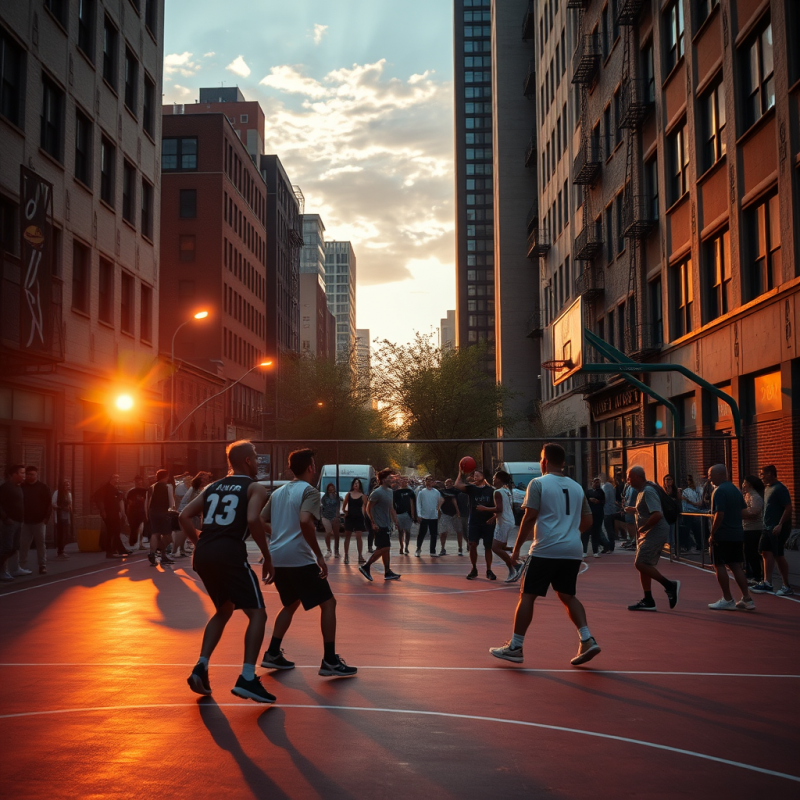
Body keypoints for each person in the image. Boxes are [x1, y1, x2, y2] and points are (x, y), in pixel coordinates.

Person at [180, 440, 276, 703]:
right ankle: (247, 677)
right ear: (247, 461)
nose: (257, 462)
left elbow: (184, 516)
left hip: (205, 554)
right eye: (255, 457)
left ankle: (201, 665)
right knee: (258, 613)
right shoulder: (255, 487)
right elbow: (253, 519)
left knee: (223, 610)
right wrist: (267, 556)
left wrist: (199, 544)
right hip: (229, 553)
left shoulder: (213, 487)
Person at [489, 443, 600, 666]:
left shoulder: (538, 483)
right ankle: (587, 639)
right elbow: (588, 520)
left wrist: (517, 548)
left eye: (541, 458)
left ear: (545, 461)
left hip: (546, 549)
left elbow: (530, 517)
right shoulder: (577, 487)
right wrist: (568, 532)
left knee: (527, 595)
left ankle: (516, 646)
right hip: (572, 550)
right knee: (567, 595)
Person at [260, 448, 357, 677]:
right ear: (310, 467)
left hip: (279, 556)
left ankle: (273, 652)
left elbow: (261, 519)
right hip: (299, 557)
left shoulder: (279, 491)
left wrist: (278, 536)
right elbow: (305, 522)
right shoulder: (310, 492)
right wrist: (320, 556)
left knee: (291, 604)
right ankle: (330, 660)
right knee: (329, 604)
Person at [626, 466, 681, 612]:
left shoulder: (648, 491)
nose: (627, 480)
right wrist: (635, 510)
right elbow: (648, 509)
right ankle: (648, 599)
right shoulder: (643, 490)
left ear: (637, 477)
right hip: (650, 532)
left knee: (640, 563)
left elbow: (657, 514)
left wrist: (643, 528)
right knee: (644, 564)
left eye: (629, 477)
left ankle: (670, 585)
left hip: (654, 532)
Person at [705, 464, 755, 610]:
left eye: (710, 475)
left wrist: (712, 533)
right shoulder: (735, 490)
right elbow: (743, 512)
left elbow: (719, 514)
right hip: (737, 534)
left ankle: (727, 599)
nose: (709, 478)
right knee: (736, 566)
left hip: (723, 534)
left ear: (720, 474)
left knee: (718, 565)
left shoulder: (719, 491)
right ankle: (747, 598)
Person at [751, 465, 794, 596]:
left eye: (763, 474)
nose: (761, 477)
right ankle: (767, 582)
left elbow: (788, 508)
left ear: (770, 473)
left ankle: (787, 586)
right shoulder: (767, 488)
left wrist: (780, 524)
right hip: (767, 527)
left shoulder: (780, 489)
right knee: (765, 552)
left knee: (778, 555)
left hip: (778, 528)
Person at [477, 470, 522, 582]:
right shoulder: (507, 491)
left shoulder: (497, 492)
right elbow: (506, 508)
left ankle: (515, 566)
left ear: (499, 479)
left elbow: (499, 508)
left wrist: (485, 509)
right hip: (509, 520)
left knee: (495, 547)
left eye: (495, 477)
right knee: (500, 547)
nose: (493, 478)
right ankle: (514, 559)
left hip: (504, 523)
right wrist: (494, 517)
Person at [456, 467, 497, 580]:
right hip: (474, 522)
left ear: (484, 477)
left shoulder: (491, 490)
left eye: (478, 475)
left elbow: (499, 508)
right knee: (472, 544)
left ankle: (489, 570)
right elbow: (457, 485)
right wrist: (460, 471)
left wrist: (494, 517)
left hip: (487, 522)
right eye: (474, 475)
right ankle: (474, 568)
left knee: (488, 547)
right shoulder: (471, 488)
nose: (475, 477)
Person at [360, 468, 401, 581]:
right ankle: (366, 566)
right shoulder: (377, 492)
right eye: (389, 477)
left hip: (386, 524)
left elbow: (391, 508)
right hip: (378, 525)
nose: (392, 479)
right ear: (383, 480)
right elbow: (368, 508)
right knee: (385, 547)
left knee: (384, 549)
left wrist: (395, 521)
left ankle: (387, 572)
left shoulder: (390, 491)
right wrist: (373, 523)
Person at [20, 466, 52, 575]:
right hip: (25, 521)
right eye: (27, 474)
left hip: (39, 521)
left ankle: (42, 565)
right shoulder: (22, 487)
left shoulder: (43, 487)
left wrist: (46, 518)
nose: (29, 476)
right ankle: (21, 566)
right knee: (24, 544)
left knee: (40, 543)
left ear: (36, 475)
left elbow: (49, 503)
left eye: (32, 474)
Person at [93, 474, 129, 559]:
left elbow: (118, 500)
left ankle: (118, 550)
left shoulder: (115, 489)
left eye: (118, 478)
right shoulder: (105, 488)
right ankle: (110, 552)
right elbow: (99, 499)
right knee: (111, 532)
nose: (116, 479)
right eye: (115, 478)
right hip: (109, 513)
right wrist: (102, 511)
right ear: (110, 479)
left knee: (116, 531)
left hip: (115, 513)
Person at [0, 465, 26, 582]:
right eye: (21, 473)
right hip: (9, 523)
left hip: (19, 522)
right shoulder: (6, 487)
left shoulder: (18, 487)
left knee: (15, 547)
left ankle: (9, 570)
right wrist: (5, 518)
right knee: (7, 547)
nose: (24, 475)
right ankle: (2, 571)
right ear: (13, 474)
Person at [146, 470, 176, 567]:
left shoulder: (152, 487)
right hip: (164, 512)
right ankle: (163, 554)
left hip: (153, 512)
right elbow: (171, 503)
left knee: (155, 533)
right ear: (166, 476)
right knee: (167, 535)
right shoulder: (168, 487)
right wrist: (172, 510)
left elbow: (147, 502)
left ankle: (152, 553)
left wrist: (147, 514)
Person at [741, 475, 765, 584]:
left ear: (749, 484)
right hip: (746, 527)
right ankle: (750, 572)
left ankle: (757, 575)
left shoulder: (755, 497)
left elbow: (754, 512)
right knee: (747, 551)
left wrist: (741, 513)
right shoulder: (747, 495)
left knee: (752, 552)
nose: (743, 485)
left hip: (754, 529)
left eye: (744, 483)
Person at [415, 475, 442, 557]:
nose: (429, 482)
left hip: (433, 516)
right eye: (428, 480)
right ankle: (418, 549)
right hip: (424, 516)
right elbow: (418, 504)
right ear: (425, 482)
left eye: (431, 480)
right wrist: (419, 514)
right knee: (421, 534)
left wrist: (438, 512)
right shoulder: (421, 492)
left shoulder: (436, 492)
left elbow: (439, 503)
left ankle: (432, 551)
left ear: (433, 482)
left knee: (434, 534)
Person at [341, 478, 367, 565]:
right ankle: (346, 555)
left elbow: (365, 508)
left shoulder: (363, 496)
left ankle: (360, 555)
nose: (356, 484)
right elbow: (343, 507)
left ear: (360, 485)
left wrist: (366, 517)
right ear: (352, 485)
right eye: (354, 483)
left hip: (359, 518)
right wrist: (345, 512)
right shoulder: (348, 494)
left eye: (357, 483)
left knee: (358, 536)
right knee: (347, 536)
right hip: (350, 517)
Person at [392, 476, 416, 556]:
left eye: (405, 480)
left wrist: (413, 514)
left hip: (408, 514)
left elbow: (412, 503)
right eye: (402, 480)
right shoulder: (396, 492)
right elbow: (393, 505)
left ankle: (407, 546)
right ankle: (401, 546)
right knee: (400, 531)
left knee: (408, 531)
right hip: (399, 514)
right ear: (399, 481)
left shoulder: (410, 492)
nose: (404, 482)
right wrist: (394, 516)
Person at [679, 474, 703, 553]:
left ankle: (700, 546)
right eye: (688, 480)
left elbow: (701, 502)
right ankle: (687, 546)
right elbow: (685, 504)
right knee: (687, 530)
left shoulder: (700, 489)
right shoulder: (686, 491)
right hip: (689, 513)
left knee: (698, 530)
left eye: (690, 480)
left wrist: (695, 504)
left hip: (699, 513)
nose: (689, 482)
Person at [439, 478, 463, 556]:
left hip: (456, 514)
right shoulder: (442, 492)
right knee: (443, 532)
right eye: (446, 483)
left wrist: (458, 511)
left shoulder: (457, 491)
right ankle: (442, 548)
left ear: (452, 483)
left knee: (459, 531)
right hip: (445, 514)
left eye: (449, 483)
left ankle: (460, 548)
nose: (447, 484)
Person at [583, 477, 606, 559]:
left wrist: (598, 501)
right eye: (595, 482)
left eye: (598, 482)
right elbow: (584, 501)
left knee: (595, 533)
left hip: (598, 515)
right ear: (592, 483)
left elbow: (603, 501)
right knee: (585, 533)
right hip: (589, 515)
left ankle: (595, 551)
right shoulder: (588, 492)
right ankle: (584, 551)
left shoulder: (601, 492)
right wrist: (590, 500)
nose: (597, 484)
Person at [51, 478, 73, 560]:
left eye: (69, 485)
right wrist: (62, 508)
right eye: (66, 485)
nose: (68, 486)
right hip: (60, 516)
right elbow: (53, 504)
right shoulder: (57, 493)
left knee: (65, 534)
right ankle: (59, 551)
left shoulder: (69, 494)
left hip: (66, 516)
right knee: (60, 534)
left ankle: (63, 550)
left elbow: (70, 504)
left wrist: (70, 509)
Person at [125, 476, 149, 550]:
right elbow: (128, 503)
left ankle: (140, 543)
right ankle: (133, 542)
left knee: (141, 528)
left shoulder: (145, 491)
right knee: (133, 528)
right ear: (134, 482)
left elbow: (148, 502)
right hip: (133, 512)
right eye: (137, 481)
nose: (138, 483)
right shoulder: (130, 492)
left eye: (140, 481)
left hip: (142, 512)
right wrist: (127, 514)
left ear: (142, 482)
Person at [321, 483, 341, 559]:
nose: (331, 490)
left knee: (336, 534)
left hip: (334, 517)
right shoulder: (324, 497)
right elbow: (322, 506)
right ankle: (328, 549)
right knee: (328, 532)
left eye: (332, 488)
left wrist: (337, 516)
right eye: (329, 488)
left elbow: (338, 507)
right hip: (326, 516)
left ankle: (336, 550)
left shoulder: (337, 497)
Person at [662, 474, 680, 551]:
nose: (669, 481)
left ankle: (672, 544)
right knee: (665, 529)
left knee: (672, 529)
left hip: (673, 513)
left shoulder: (676, 490)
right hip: (664, 513)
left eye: (670, 479)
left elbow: (678, 500)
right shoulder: (662, 490)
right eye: (667, 480)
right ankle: (666, 544)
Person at [600, 474, 617, 553]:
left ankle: (610, 546)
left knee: (608, 528)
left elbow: (605, 497)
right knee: (608, 528)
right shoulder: (607, 486)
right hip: (608, 510)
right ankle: (609, 546)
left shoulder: (607, 486)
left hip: (608, 510)